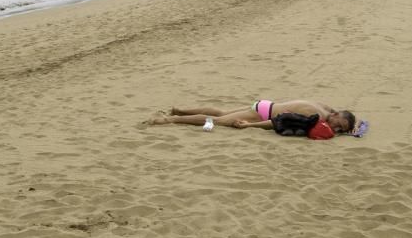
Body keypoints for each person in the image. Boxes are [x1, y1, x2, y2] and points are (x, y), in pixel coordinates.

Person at [148, 98, 356, 134]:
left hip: (264, 104)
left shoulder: (325, 108)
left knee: (221, 112)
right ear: (336, 115)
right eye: (340, 124)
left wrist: (351, 128)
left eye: (342, 129)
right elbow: (279, 122)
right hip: (262, 113)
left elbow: (348, 120)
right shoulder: (316, 116)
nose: (337, 129)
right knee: (218, 121)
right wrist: (250, 125)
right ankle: (171, 119)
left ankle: (179, 110)